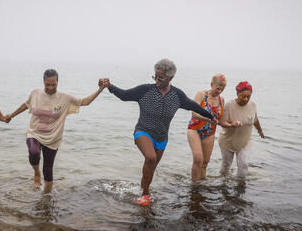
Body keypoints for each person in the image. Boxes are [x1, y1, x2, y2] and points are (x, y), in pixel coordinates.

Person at [99, 58, 216, 206]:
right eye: (155, 76)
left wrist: (210, 116)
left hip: (161, 138)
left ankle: (142, 192)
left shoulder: (177, 95)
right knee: (150, 158)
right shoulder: (145, 90)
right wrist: (110, 86)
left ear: (170, 77)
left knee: (151, 166)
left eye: (161, 77)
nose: (157, 79)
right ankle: (146, 194)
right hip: (143, 131)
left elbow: (193, 105)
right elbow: (124, 95)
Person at [5, 69, 105, 193]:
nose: (50, 87)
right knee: (34, 152)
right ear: (43, 82)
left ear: (58, 82)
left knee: (48, 170)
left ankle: (46, 198)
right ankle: (36, 173)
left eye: (53, 84)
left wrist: (100, 90)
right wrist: (11, 115)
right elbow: (26, 105)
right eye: (47, 85)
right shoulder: (35, 93)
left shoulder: (65, 98)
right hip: (34, 132)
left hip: (53, 138)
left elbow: (85, 102)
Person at [218, 81, 265, 178]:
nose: (246, 99)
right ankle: (222, 183)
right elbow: (221, 122)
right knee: (226, 165)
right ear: (237, 94)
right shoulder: (228, 105)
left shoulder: (252, 105)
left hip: (244, 141)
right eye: (243, 96)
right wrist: (231, 124)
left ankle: (240, 186)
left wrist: (260, 130)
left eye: (249, 96)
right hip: (227, 141)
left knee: (243, 165)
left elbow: (255, 119)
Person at [187, 74, 227, 182]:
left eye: (222, 89)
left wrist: (232, 124)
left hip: (209, 132)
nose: (219, 91)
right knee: (198, 159)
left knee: (205, 162)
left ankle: (201, 185)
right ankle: (194, 186)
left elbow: (221, 120)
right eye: (218, 88)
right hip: (194, 129)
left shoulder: (221, 100)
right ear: (211, 85)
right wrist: (209, 120)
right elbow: (194, 113)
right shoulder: (201, 94)